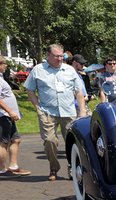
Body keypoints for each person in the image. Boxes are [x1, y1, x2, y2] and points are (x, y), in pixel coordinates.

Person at [24, 44, 86, 181]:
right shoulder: (38, 70)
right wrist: (37, 107)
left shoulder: (70, 70)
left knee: (73, 142)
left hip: (68, 111)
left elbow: (79, 92)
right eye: (56, 56)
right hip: (47, 112)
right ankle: (54, 168)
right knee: (49, 141)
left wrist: (81, 110)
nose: (59, 59)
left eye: (61, 56)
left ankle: (73, 168)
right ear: (48, 55)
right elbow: (29, 89)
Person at [0, 56, 30, 177]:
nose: (6, 66)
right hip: (3, 115)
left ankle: (13, 166)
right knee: (3, 143)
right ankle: (2, 170)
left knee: (15, 139)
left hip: (8, 116)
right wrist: (10, 111)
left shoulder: (1, 77)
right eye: (4, 63)